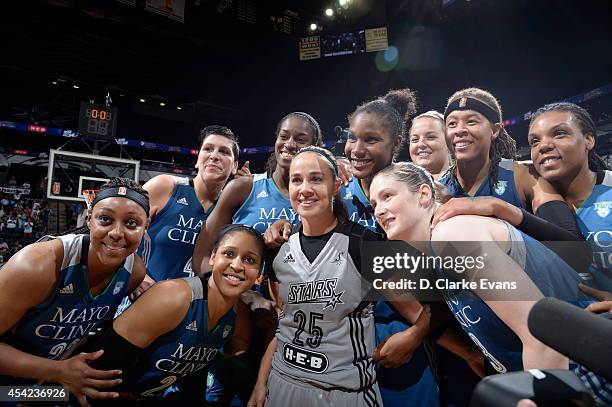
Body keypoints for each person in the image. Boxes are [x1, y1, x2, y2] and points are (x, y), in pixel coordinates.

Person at [249, 147, 478, 407]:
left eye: (316, 179)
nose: (305, 188)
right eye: (296, 180)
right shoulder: (279, 248)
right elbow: (284, 325)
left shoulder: (362, 244)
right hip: (283, 382)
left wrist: (467, 353)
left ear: (335, 186)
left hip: (343, 393)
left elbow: (417, 313)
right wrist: (261, 382)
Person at [370, 161, 612, 406]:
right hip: (574, 368)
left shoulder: (453, 235)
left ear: (423, 194)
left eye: (387, 196)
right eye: (374, 204)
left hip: (586, 371)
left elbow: (541, 336)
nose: (379, 210)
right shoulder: (437, 249)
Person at [0, 178, 149, 406]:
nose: (117, 233)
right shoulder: (36, 265)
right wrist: (57, 371)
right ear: (89, 219)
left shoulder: (134, 273)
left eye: (131, 223)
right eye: (106, 220)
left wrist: (54, 378)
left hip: (42, 383)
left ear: (145, 228)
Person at [84, 225, 265, 405]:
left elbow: (193, 376)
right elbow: (95, 367)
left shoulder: (234, 316)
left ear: (258, 272)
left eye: (249, 260)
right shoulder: (174, 297)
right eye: (229, 254)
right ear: (212, 257)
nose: (237, 265)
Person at [136, 125, 240, 291]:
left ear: (234, 167)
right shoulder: (164, 187)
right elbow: (122, 236)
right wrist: (136, 276)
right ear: (198, 159)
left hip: (193, 309)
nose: (214, 156)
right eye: (208, 149)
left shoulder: (233, 211)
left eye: (224, 151)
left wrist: (243, 189)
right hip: (143, 299)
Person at [527, 102, 612, 291]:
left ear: (589, 140)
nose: (544, 146)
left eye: (559, 133)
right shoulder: (528, 203)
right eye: (535, 141)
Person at [409, 110, 451, 180]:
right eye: (415, 139)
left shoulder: (465, 182)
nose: (421, 144)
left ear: (449, 141)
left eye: (430, 137)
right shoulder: (399, 185)